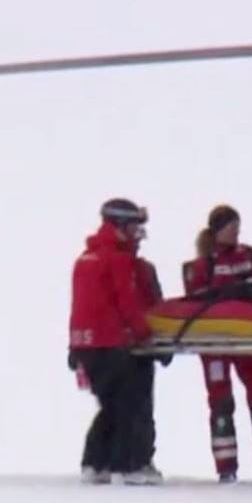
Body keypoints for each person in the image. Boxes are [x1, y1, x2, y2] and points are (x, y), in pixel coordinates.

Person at [184, 204, 252, 483]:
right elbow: (196, 301)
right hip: (215, 342)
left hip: (247, 337)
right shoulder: (204, 264)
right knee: (221, 401)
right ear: (218, 230)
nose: (236, 231)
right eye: (231, 226)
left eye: (237, 225)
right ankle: (226, 466)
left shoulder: (248, 255)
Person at [69, 198, 159, 485]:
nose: (137, 235)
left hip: (87, 345)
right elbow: (127, 302)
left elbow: (80, 306)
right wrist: (146, 334)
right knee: (128, 404)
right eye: (134, 227)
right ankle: (128, 465)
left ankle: (95, 462)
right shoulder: (118, 260)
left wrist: (75, 347)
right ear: (119, 226)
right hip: (113, 343)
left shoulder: (86, 258)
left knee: (110, 405)